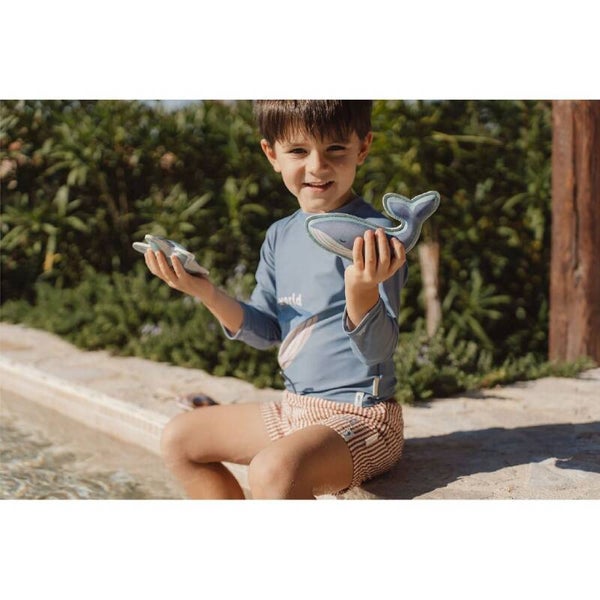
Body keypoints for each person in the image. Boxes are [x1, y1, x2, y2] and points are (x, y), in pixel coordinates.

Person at [144, 100, 407, 499]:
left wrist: (361, 290)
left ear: (363, 147)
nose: (317, 166)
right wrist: (205, 292)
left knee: (272, 470)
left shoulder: (374, 238)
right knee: (179, 438)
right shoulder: (280, 236)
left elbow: (379, 350)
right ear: (272, 154)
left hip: (363, 417)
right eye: (298, 150)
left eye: (335, 149)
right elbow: (266, 331)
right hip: (294, 410)